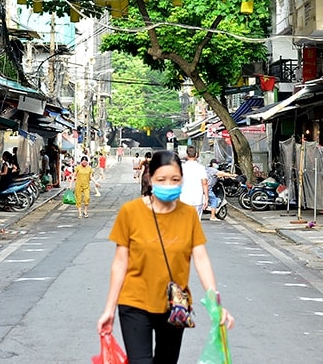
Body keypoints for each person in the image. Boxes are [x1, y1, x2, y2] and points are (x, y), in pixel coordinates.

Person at [97, 150, 234, 362]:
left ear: (182, 181)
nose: (168, 184)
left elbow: (201, 259)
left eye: (175, 179)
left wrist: (216, 304)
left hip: (174, 304)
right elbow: (120, 262)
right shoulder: (130, 213)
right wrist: (109, 309)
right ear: (150, 179)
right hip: (134, 303)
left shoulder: (188, 215)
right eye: (162, 179)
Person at [180, 146, 208, 218]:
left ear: (186, 155)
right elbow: (204, 183)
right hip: (197, 199)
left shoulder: (182, 167)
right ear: (196, 155)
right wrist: (207, 198)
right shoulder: (201, 168)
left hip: (184, 199)